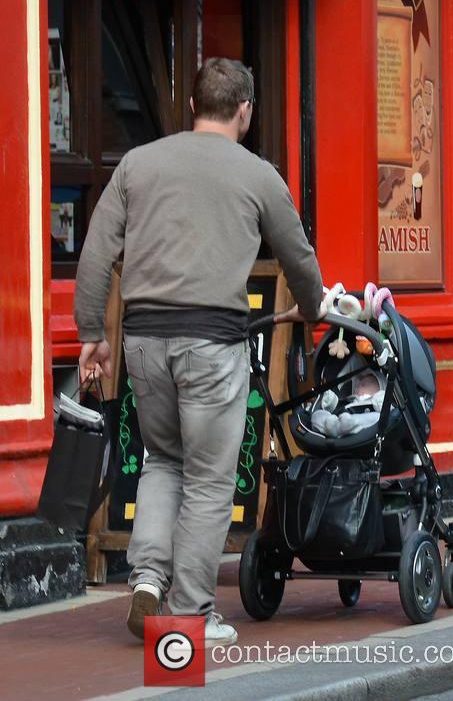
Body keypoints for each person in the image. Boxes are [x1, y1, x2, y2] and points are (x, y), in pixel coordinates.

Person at [74, 57, 325, 646]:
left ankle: (145, 580)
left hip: (142, 342)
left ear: (191, 107)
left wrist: (93, 333)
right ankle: (188, 614)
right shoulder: (259, 174)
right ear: (245, 111)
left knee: (163, 460)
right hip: (213, 345)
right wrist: (311, 311)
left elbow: (95, 253)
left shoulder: (137, 164)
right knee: (211, 480)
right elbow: (299, 258)